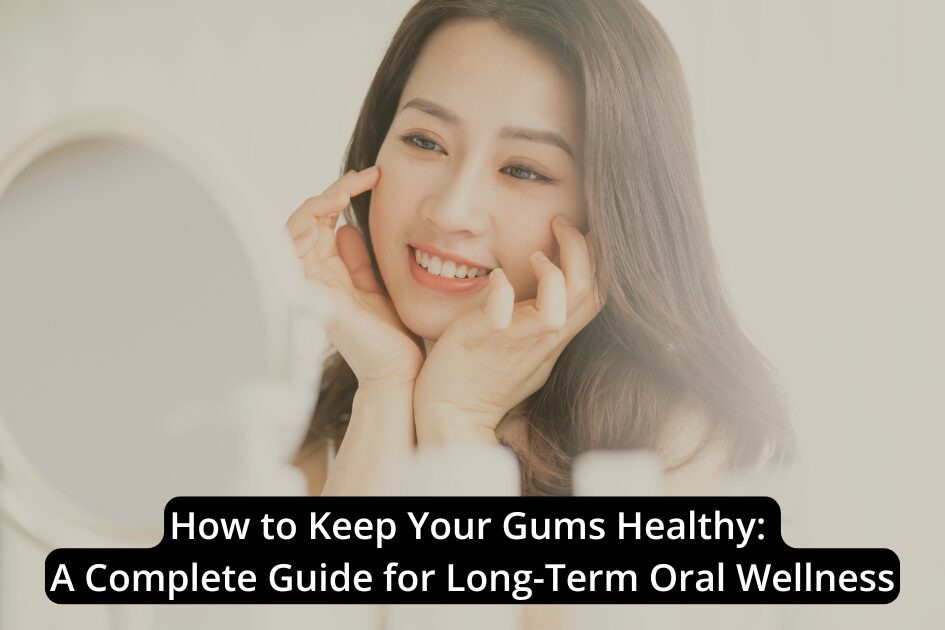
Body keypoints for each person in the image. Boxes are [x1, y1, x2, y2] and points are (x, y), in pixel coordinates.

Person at [285, 0, 793, 497]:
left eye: (523, 171)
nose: (452, 212)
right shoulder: (292, 422)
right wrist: (385, 387)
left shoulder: (673, 451)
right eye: (425, 142)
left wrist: (457, 417)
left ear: (610, 212)